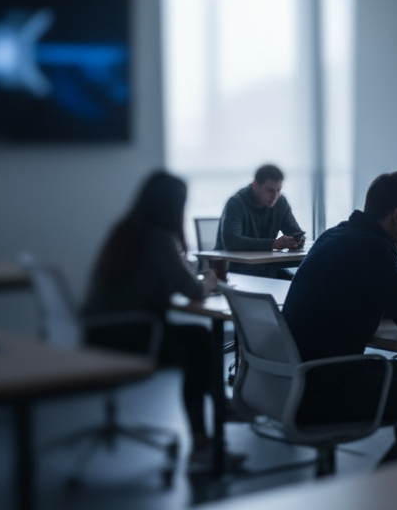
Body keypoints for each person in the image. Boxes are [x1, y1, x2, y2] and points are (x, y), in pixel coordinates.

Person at [280, 171, 397, 464]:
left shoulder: (337, 234)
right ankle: (388, 482)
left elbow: (383, 296)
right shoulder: (375, 250)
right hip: (321, 390)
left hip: (290, 379)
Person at [83, 171, 238, 473]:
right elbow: (193, 290)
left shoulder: (127, 230)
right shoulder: (158, 237)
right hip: (132, 335)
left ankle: (220, 415)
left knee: (197, 340)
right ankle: (213, 425)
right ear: (172, 205)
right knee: (199, 343)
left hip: (102, 332)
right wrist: (210, 278)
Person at [215, 164, 305, 278]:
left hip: (266, 268)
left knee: (301, 284)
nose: (275, 196)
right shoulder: (236, 203)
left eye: (278, 190)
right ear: (255, 185)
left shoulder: (280, 202)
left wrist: (296, 240)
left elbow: (295, 231)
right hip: (234, 272)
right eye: (270, 190)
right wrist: (273, 244)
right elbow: (232, 241)